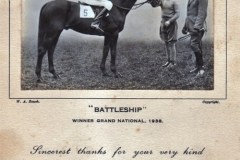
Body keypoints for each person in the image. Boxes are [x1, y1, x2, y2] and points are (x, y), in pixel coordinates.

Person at [182, 0, 208, 76]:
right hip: (191, 26)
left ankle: (201, 68)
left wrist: (197, 27)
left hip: (197, 27)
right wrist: (185, 27)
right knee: (197, 46)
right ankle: (198, 67)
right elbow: (189, 15)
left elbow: (202, 13)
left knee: (194, 45)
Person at [158, 0, 180, 68]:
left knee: (171, 43)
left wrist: (170, 21)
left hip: (171, 23)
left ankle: (173, 62)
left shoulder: (175, 1)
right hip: (163, 22)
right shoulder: (162, 0)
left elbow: (177, 14)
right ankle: (168, 61)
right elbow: (155, 4)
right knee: (166, 43)